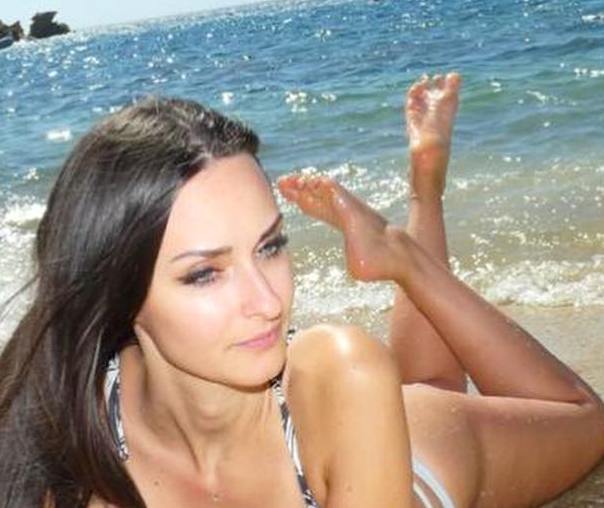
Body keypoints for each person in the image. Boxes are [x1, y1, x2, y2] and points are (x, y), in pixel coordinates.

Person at [0, 73, 603, 508]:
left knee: (587, 420)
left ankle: (405, 247)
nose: (269, 303)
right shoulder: (65, 425)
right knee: (431, 382)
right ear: (117, 291)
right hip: (351, 435)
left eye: (270, 246)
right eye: (205, 273)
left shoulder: (342, 366)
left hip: (415, 453)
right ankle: (416, 203)